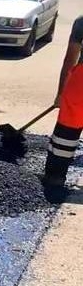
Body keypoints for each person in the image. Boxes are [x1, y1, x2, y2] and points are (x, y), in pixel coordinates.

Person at [43, 15, 83, 197]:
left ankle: (54, 179)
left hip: (80, 85)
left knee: (66, 135)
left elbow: (70, 59)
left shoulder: (82, 22)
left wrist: (61, 93)